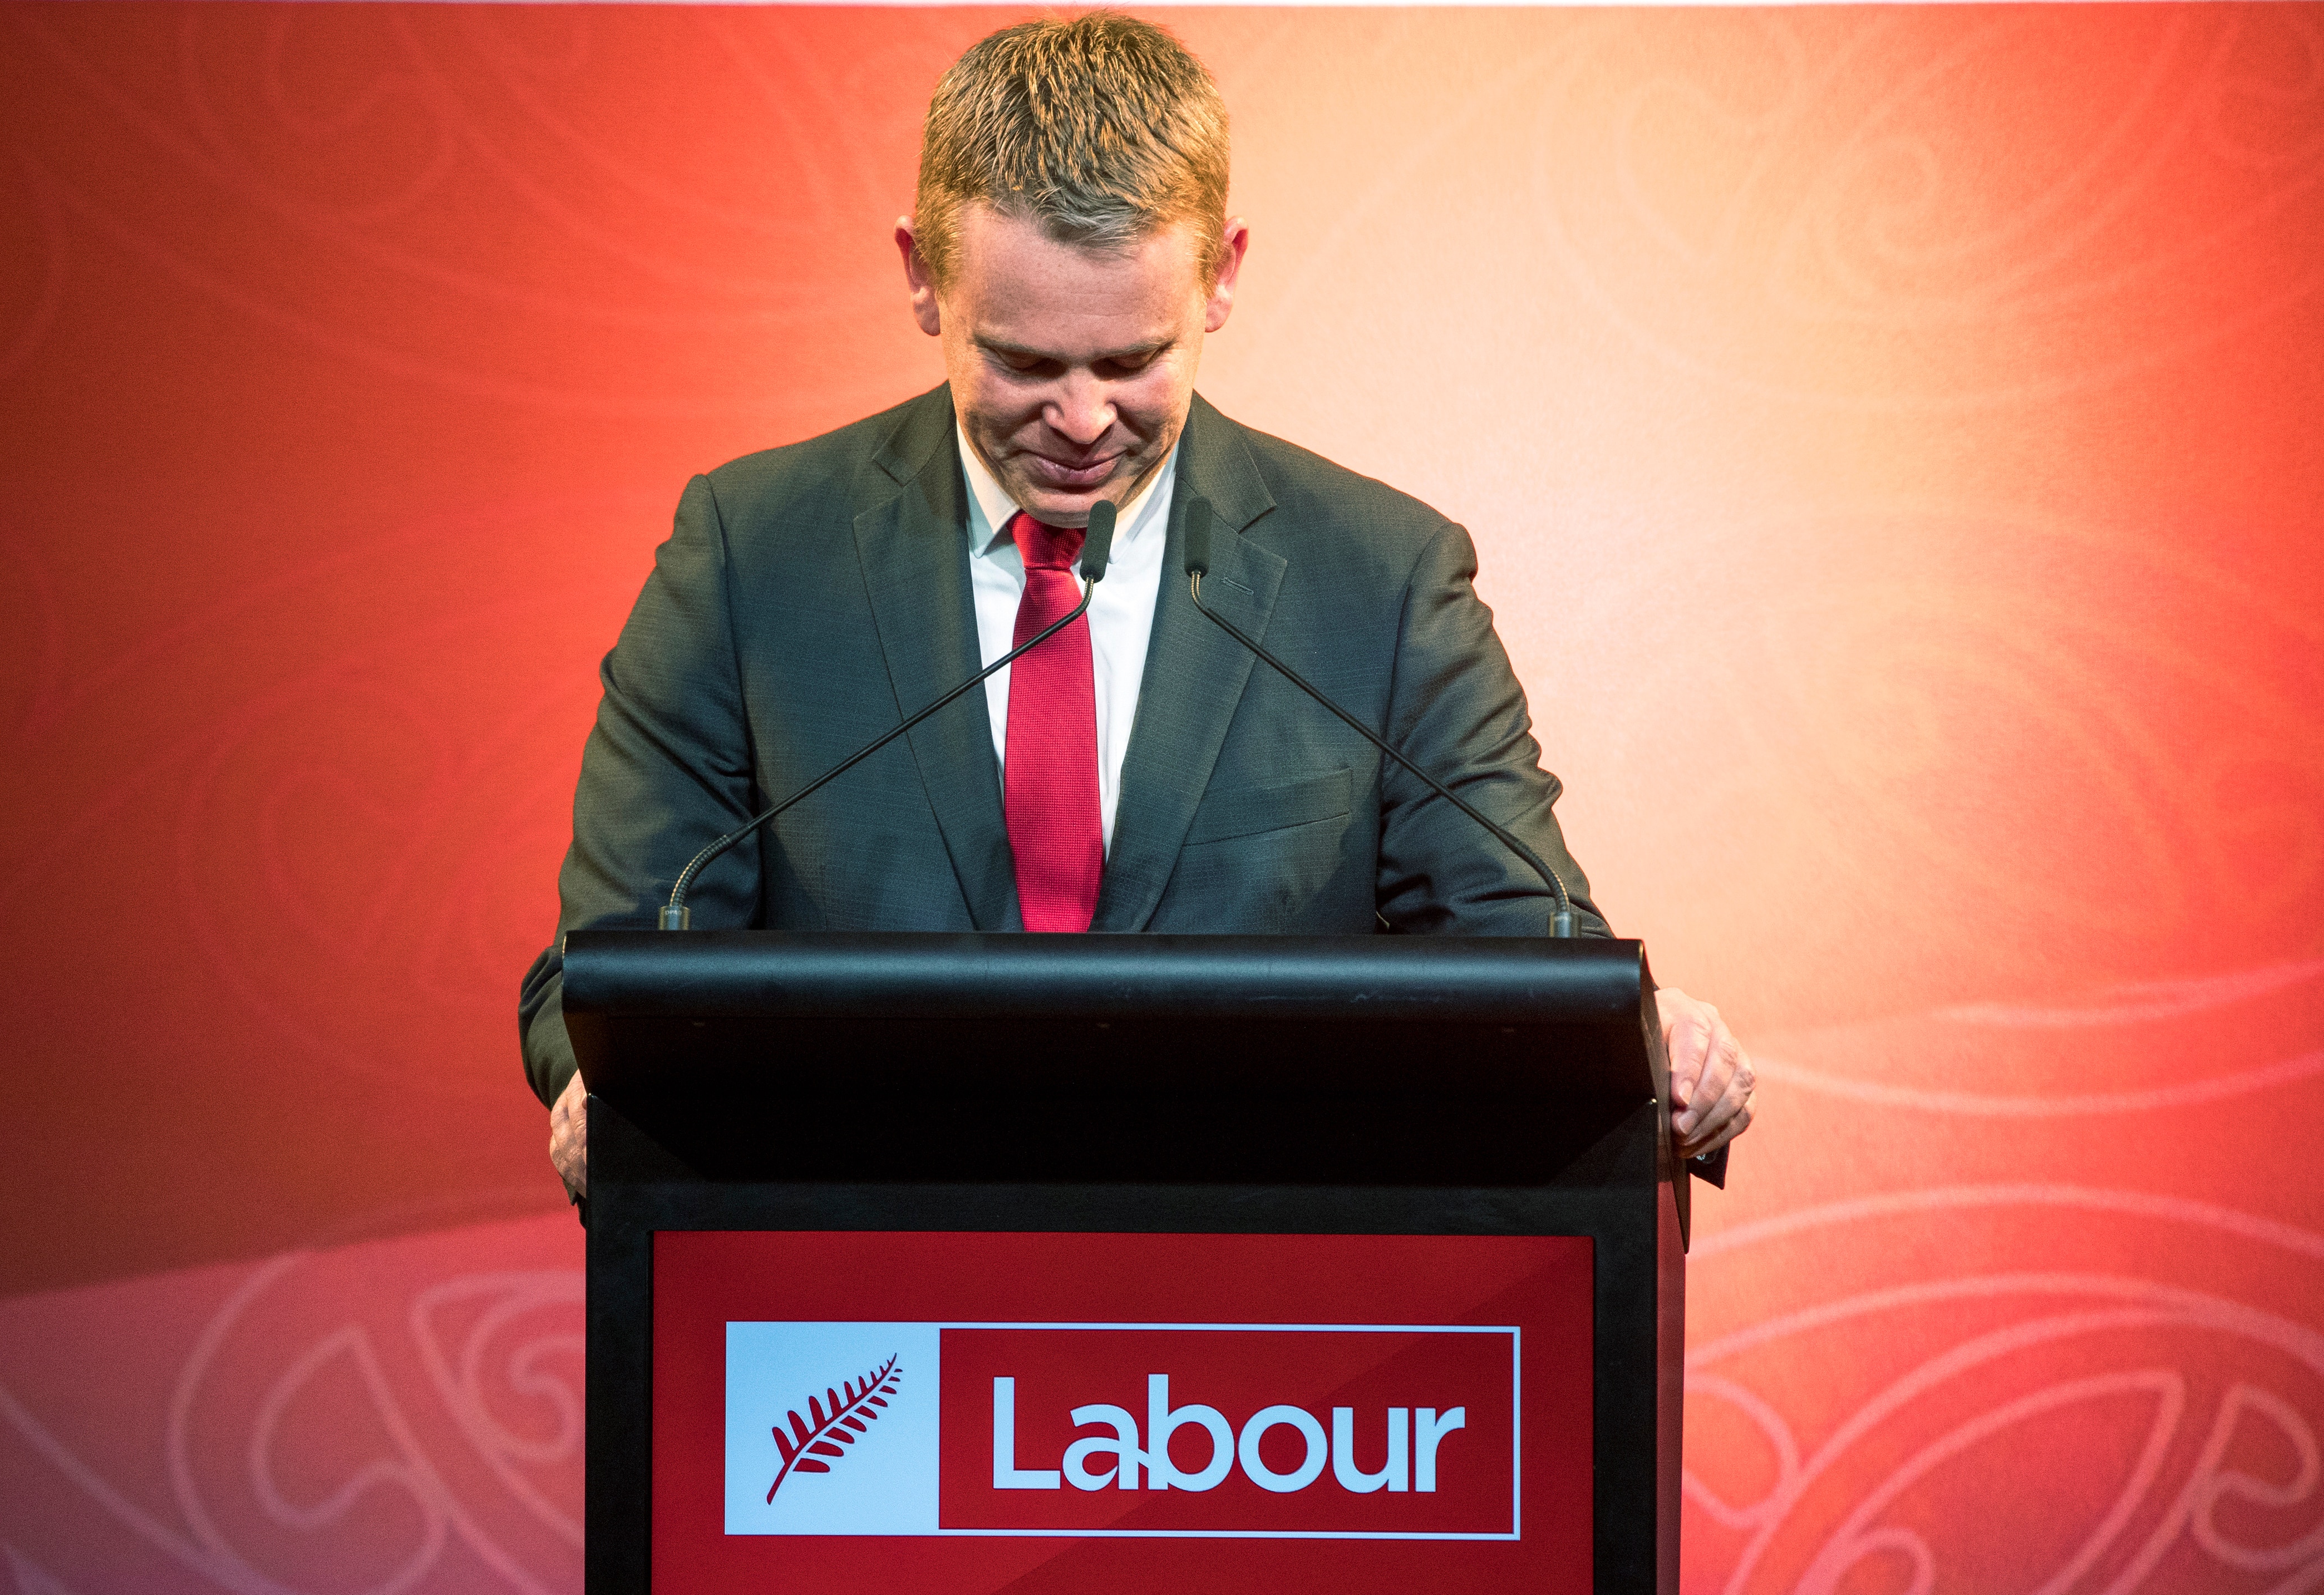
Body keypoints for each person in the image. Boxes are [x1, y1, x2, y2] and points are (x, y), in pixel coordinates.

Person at [520, 12, 1755, 1200]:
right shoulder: (751, 556)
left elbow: (1521, 948)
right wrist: (601, 1083)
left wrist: (1646, 1041)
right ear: (919, 275)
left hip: (1255, 1354)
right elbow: (611, 967)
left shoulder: (1379, 581)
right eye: (1021, 360)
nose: (1078, 418)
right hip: (849, 1308)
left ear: (1219, 276)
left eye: (1127, 362)